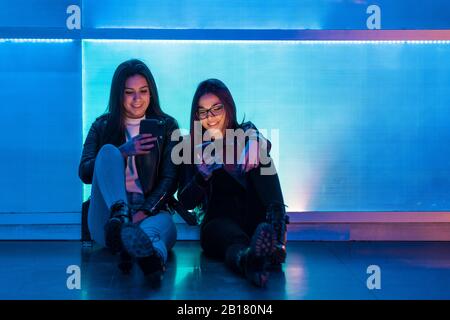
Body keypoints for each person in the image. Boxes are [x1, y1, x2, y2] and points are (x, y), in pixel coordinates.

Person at [177, 79, 288, 287]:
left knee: (263, 156)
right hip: (219, 222)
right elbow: (185, 201)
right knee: (227, 237)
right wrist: (201, 177)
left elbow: (263, 145)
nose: (210, 118)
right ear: (196, 116)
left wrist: (255, 143)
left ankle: (276, 236)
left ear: (228, 107)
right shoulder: (189, 147)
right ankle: (249, 259)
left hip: (255, 217)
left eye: (216, 109)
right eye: (203, 112)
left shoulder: (247, 132)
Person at [78, 59, 179, 283]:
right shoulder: (101, 126)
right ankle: (120, 218)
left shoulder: (167, 126)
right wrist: (121, 152)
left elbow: (170, 180)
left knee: (160, 230)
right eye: (129, 92)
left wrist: (142, 212)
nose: (137, 99)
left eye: (143, 91)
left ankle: (153, 261)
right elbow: (84, 172)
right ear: (118, 95)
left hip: (148, 212)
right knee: (107, 151)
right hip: (107, 220)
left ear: (151, 93)